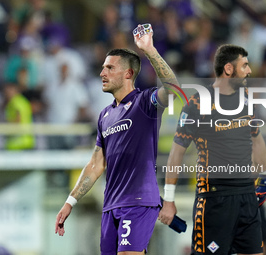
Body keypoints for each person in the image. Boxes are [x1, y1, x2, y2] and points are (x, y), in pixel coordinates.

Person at [55, 26, 178, 254]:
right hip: (111, 205)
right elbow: (95, 164)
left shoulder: (144, 103)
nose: (102, 73)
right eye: (102, 68)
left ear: (128, 74)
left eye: (110, 68)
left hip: (138, 201)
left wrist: (149, 50)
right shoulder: (105, 115)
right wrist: (70, 202)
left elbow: (172, 89)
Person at [159, 44, 266, 255]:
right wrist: (169, 200)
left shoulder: (247, 98)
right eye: (244, 65)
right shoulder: (197, 103)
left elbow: (257, 140)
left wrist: (265, 177)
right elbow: (177, 152)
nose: (249, 71)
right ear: (228, 69)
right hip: (214, 200)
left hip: (247, 196)